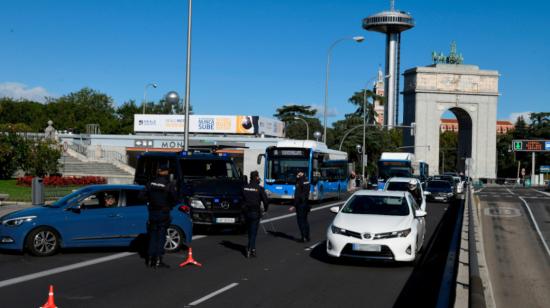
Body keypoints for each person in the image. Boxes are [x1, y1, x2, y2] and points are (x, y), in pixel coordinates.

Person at [143, 162, 178, 269]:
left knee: (153, 236)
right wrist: (169, 205)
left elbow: (141, 196)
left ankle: (149, 259)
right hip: (163, 213)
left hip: (152, 213)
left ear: (158, 172)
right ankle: (158, 260)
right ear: (166, 172)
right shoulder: (168, 185)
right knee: (161, 236)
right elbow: (175, 199)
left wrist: (150, 202)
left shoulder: (151, 183)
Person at [242, 170, 269, 258]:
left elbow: (241, 199)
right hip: (255, 212)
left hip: (246, 212)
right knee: (253, 232)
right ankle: (250, 249)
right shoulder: (259, 188)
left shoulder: (244, 187)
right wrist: (265, 209)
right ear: (257, 177)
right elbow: (265, 201)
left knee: (249, 231)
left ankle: (252, 248)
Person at [293, 171, 311, 242]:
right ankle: (307, 236)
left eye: (299, 173)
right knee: (305, 220)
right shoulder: (307, 181)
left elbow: (297, 195)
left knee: (300, 221)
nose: (298, 174)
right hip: (306, 203)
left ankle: (303, 237)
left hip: (300, 204)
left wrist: (295, 205)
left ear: (302, 173)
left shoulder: (299, 182)